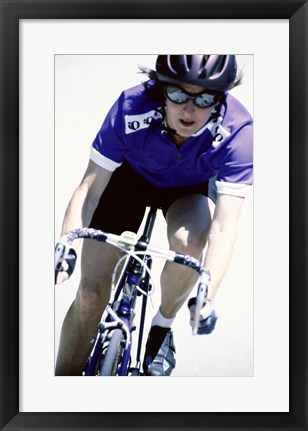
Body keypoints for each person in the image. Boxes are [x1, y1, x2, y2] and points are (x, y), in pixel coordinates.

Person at [55, 55, 253, 376]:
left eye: (205, 98)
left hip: (188, 188)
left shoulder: (237, 130)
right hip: (127, 181)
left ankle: (162, 328)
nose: (189, 109)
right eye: (178, 94)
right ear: (161, 89)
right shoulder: (131, 106)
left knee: (190, 246)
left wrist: (207, 295)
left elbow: (224, 228)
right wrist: (68, 245)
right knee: (89, 296)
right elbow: (89, 191)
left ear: (221, 98)